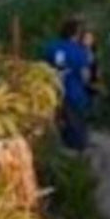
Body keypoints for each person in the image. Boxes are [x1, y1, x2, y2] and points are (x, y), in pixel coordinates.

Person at [41, 18, 92, 152]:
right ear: (76, 33)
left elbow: (43, 68)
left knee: (57, 125)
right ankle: (77, 152)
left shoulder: (51, 47)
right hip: (74, 94)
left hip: (52, 94)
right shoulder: (80, 51)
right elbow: (85, 76)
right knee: (76, 129)